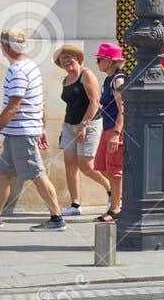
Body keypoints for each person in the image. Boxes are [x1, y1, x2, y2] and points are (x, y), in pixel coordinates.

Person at [0, 29, 65, 230]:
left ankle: (57, 218)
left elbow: (14, 105)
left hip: (21, 132)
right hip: (20, 131)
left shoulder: (16, 70)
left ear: (5, 46)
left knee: (36, 174)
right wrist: (41, 127)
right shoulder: (31, 66)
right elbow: (39, 101)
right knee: (3, 173)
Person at [54, 44, 110, 218]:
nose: (66, 60)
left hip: (89, 124)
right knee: (70, 164)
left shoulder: (86, 74)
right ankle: (75, 204)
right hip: (69, 124)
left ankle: (112, 190)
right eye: (63, 58)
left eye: (69, 56)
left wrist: (84, 125)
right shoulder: (65, 79)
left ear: (77, 58)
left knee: (86, 165)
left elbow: (95, 101)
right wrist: (71, 127)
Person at [90, 43, 128, 222]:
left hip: (114, 129)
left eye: (99, 60)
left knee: (114, 171)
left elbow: (123, 108)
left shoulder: (118, 80)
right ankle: (117, 202)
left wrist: (116, 133)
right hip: (107, 128)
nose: (97, 63)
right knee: (102, 167)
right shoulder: (109, 79)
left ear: (110, 61)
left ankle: (115, 208)